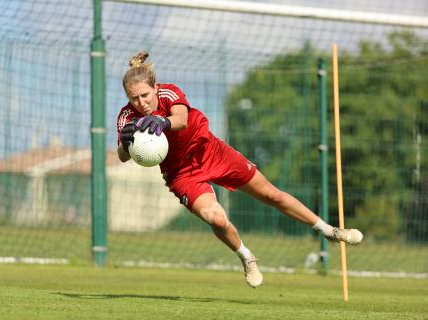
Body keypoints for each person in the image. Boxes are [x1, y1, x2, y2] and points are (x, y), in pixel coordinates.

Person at [116, 51, 363, 288]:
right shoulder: (127, 117)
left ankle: (330, 231)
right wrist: (126, 143)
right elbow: (123, 156)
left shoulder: (169, 93)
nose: (141, 103)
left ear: (155, 88)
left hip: (212, 152)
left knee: (272, 195)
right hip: (182, 173)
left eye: (145, 95)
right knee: (216, 218)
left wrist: (162, 120)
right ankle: (247, 257)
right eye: (134, 98)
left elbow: (181, 119)